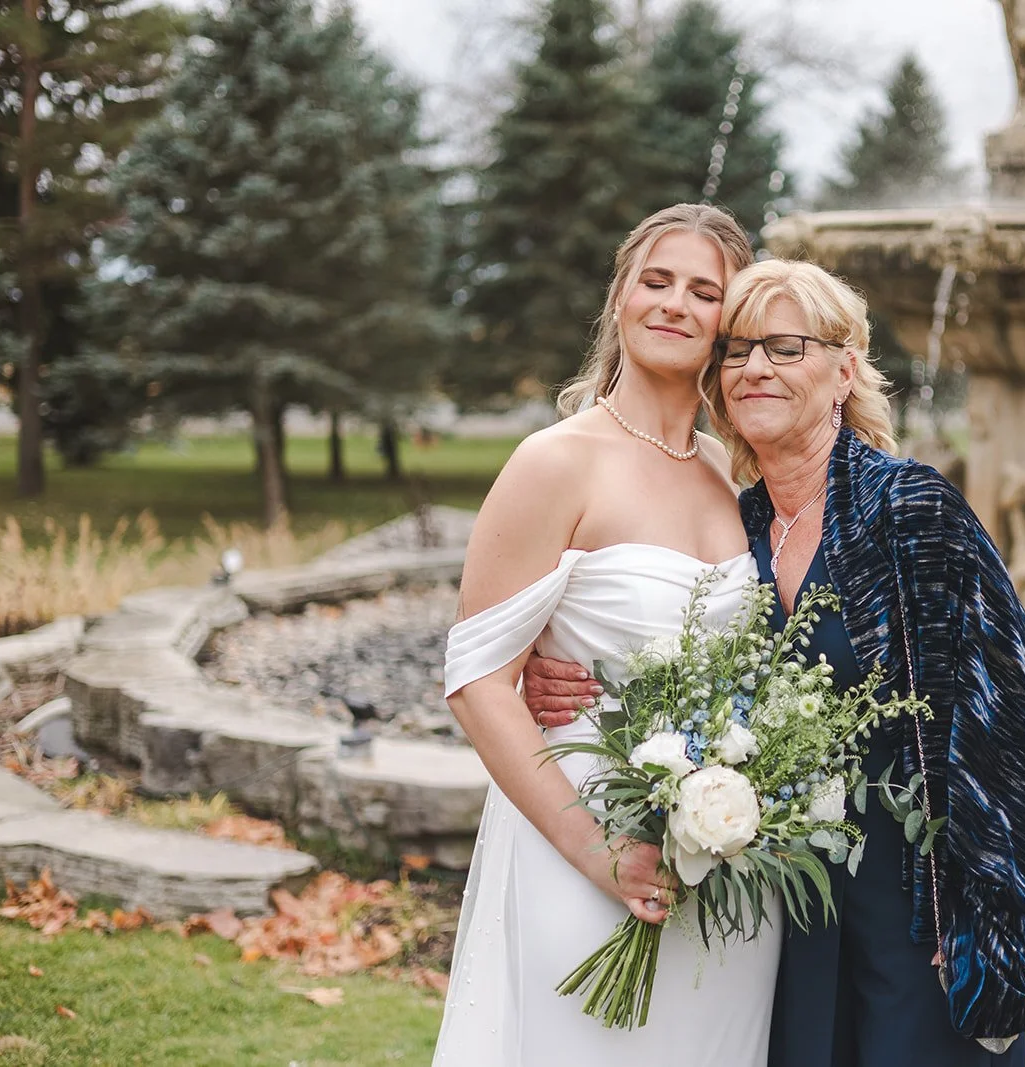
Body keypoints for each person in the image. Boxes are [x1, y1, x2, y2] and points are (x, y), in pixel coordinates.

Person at [526, 259, 1025, 1065]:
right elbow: (667, 652)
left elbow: (1009, 718)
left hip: (919, 915)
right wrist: (559, 666)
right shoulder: (736, 527)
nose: (755, 368)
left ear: (843, 371)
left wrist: (988, 913)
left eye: (785, 347)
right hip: (788, 915)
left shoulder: (909, 508)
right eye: (736, 350)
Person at [434, 203, 781, 1067]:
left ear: (727, 323)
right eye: (656, 280)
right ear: (620, 296)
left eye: (703, 291)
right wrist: (600, 855)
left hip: (725, 859)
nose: (674, 304)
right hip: (582, 838)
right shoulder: (556, 461)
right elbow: (478, 683)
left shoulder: (733, 474)